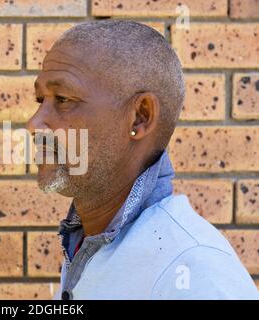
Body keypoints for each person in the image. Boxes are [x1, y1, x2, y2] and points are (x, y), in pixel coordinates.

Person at [26, 20, 258, 300]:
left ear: (140, 117)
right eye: (41, 100)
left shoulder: (192, 271)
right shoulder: (87, 240)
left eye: (63, 99)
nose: (34, 123)